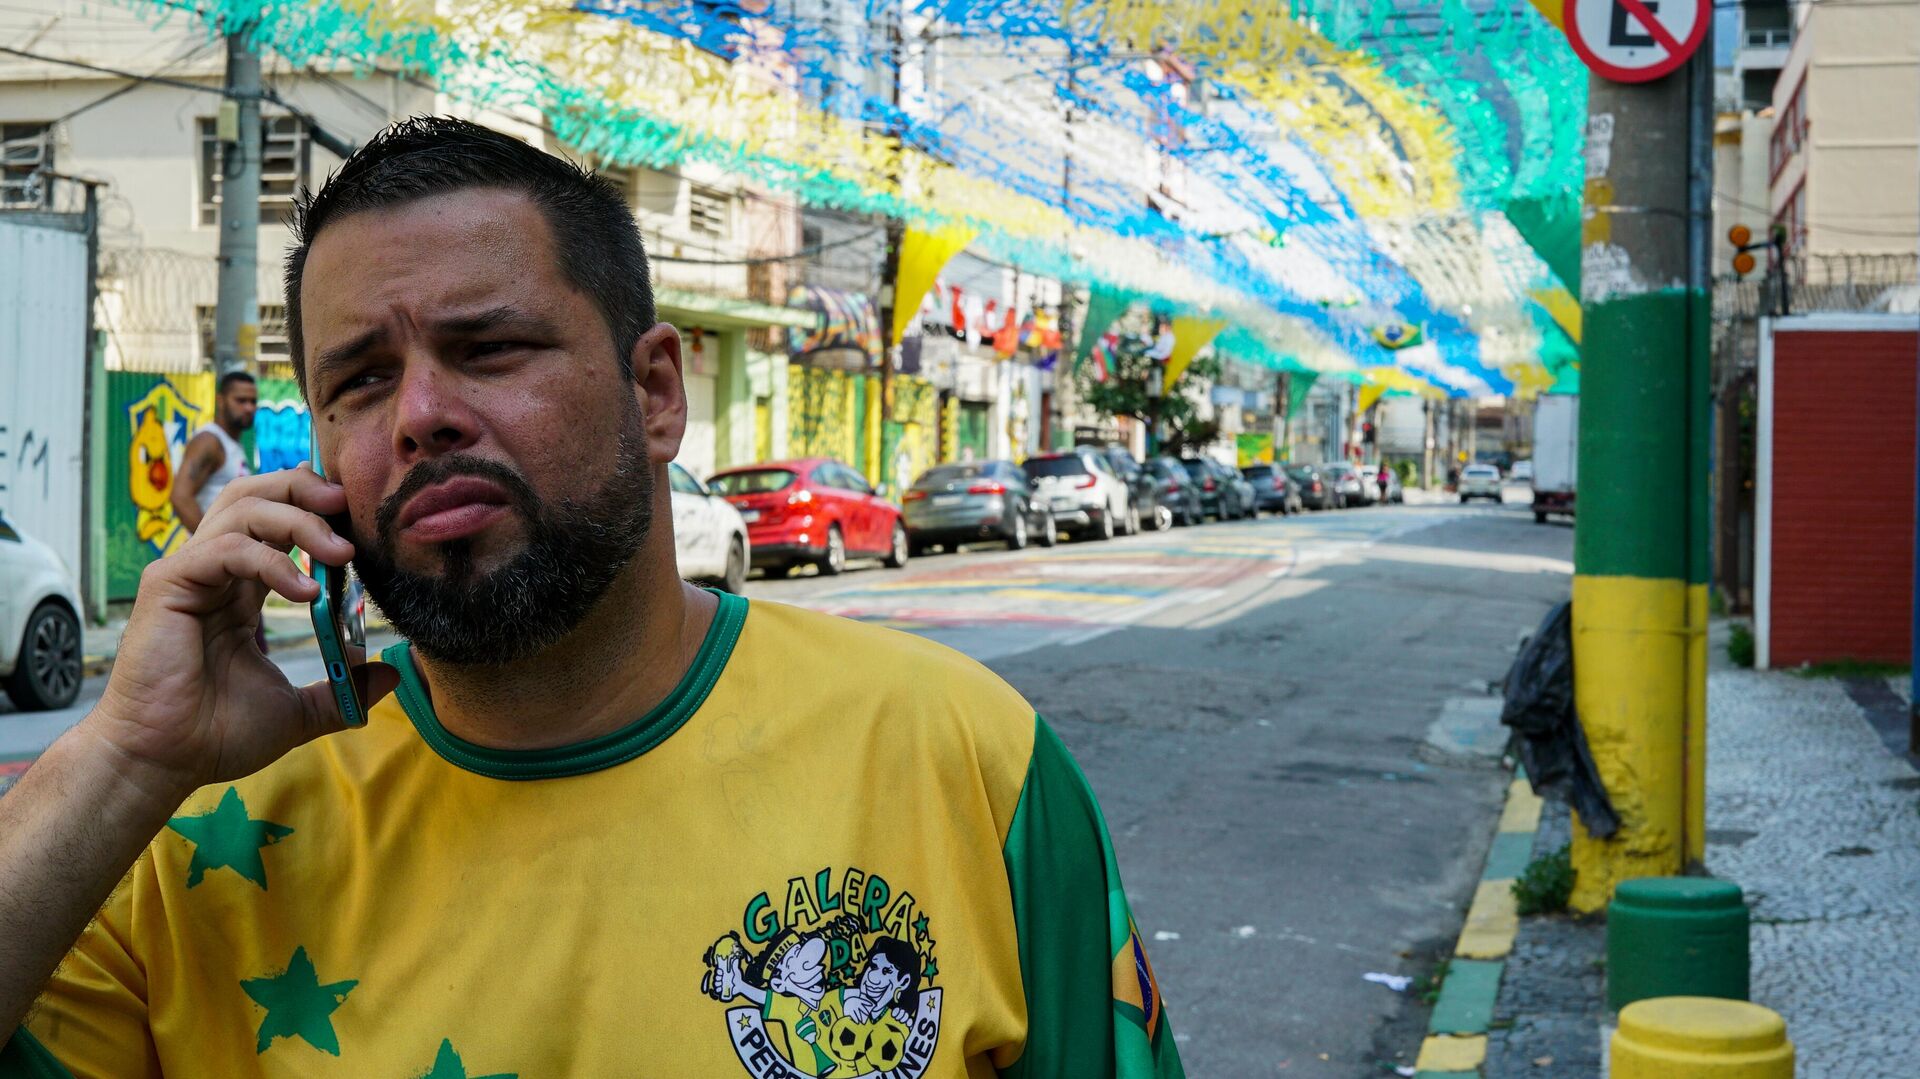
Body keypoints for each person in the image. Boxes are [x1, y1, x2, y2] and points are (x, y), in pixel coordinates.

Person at [0, 117, 1181, 1079]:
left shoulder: (968, 762)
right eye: (361, 380)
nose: (421, 414)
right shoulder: (179, 830)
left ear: (657, 391)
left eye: (492, 346)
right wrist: (123, 755)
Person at [169, 369, 259, 534]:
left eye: (253, 401)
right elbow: (180, 497)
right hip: (211, 556)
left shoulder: (231, 443)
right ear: (220, 400)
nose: (248, 408)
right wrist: (210, 542)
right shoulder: (209, 441)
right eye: (241, 400)